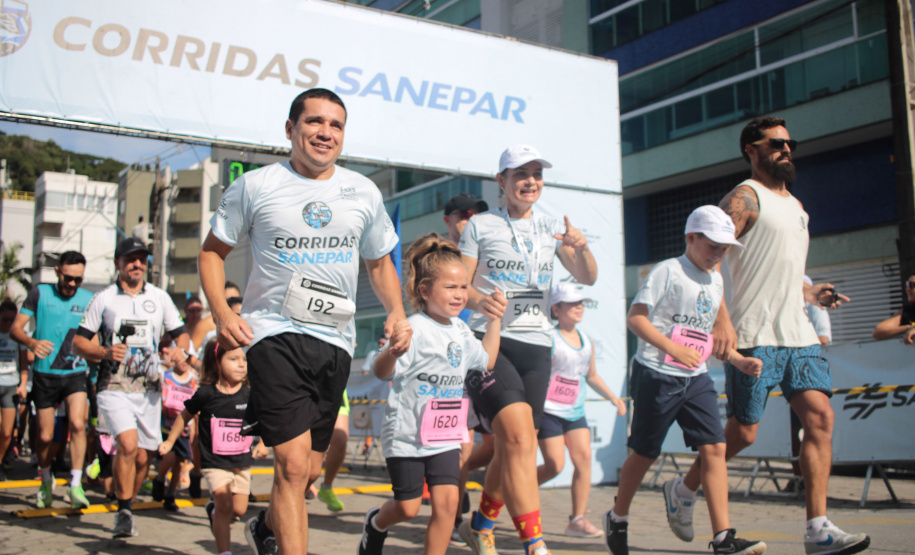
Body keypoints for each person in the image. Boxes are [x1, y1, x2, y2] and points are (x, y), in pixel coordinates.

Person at [198, 87, 409, 555]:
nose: (325, 132)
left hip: (334, 340)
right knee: (291, 467)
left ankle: (265, 528)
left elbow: (378, 263)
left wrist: (396, 310)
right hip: (272, 334)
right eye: (314, 122)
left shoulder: (363, 191)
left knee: (310, 470)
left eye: (336, 125)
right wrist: (222, 312)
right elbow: (212, 253)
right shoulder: (254, 186)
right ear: (291, 129)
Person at [679, 117, 869, 555]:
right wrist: (720, 320)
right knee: (743, 434)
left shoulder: (798, 206)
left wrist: (810, 292)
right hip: (753, 331)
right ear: (751, 150)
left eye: (790, 143)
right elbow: (704, 261)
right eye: (776, 144)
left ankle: (817, 529)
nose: (786, 150)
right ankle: (684, 490)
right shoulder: (744, 198)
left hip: (798, 332)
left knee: (820, 418)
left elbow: (779, 271)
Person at [458, 144, 597, 555]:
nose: (530, 181)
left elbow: (587, 277)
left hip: (538, 345)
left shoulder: (553, 227)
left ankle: (481, 525)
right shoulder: (479, 226)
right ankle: (535, 545)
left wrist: (582, 246)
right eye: (520, 174)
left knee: (515, 443)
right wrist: (480, 301)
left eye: (536, 173)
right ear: (501, 181)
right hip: (491, 339)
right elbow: (460, 285)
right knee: (518, 439)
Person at [604, 205, 765, 555]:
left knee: (716, 448)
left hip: (696, 377)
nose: (718, 254)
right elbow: (636, 318)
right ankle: (618, 516)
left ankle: (723, 537)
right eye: (713, 247)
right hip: (656, 374)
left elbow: (702, 336)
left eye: (724, 249)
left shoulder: (716, 279)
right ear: (691, 238)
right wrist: (672, 348)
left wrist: (738, 360)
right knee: (645, 452)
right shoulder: (668, 271)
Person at [359, 233, 505, 555]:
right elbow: (382, 372)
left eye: (463, 287)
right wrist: (393, 352)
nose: (460, 295)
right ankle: (376, 523)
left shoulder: (462, 331)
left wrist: (494, 321)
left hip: (445, 437)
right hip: (408, 437)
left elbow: (487, 360)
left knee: (448, 505)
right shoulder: (414, 328)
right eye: (450, 287)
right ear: (424, 291)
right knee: (408, 508)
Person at [72, 237, 190, 538]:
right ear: (118, 264)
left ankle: (127, 505)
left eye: (142, 258)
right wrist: (103, 353)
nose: (137, 264)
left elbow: (181, 335)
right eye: (130, 259)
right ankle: (124, 510)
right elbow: (79, 341)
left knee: (143, 456)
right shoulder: (104, 298)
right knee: (126, 443)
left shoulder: (160, 298)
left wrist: (180, 353)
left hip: (149, 388)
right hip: (113, 385)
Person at [160, 339, 267, 555]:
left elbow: (263, 420)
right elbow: (184, 416)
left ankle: (212, 510)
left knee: (239, 509)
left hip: (242, 463)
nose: (241, 364)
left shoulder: (249, 393)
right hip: (214, 463)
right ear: (217, 363)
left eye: (244, 359)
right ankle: (224, 551)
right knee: (224, 503)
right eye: (233, 359)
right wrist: (170, 441)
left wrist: (264, 444)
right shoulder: (206, 394)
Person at [537, 283, 626, 538]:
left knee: (583, 460)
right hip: (549, 411)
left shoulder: (586, 340)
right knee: (554, 465)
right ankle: (515, 491)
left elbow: (592, 375)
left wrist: (613, 399)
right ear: (557, 308)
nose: (579, 308)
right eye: (573, 303)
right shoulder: (549, 338)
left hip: (575, 412)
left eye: (581, 303)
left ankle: (576, 520)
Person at [10, 250, 95, 509]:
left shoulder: (89, 299)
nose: (72, 284)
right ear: (58, 271)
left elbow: (95, 336)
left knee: (78, 425)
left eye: (77, 280)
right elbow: (15, 328)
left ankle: (76, 484)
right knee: (46, 437)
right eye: (68, 278)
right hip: (46, 375)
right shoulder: (39, 293)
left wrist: (97, 353)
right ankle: (46, 481)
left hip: (75, 373)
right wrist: (32, 342)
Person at [442, 192, 493, 545]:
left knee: (497, 443)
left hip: (485, 348)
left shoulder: (490, 250)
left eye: (477, 214)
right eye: (465, 215)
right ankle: (455, 518)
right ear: (448, 219)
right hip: (447, 356)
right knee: (462, 443)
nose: (472, 220)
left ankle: (449, 480)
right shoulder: (438, 255)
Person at [152, 348, 199, 511]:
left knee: (181, 462)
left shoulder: (194, 380)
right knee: (169, 457)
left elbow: (196, 406)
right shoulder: (165, 377)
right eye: (181, 359)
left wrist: (194, 428)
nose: (184, 363)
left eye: (187, 360)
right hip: (167, 425)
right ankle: (159, 478)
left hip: (185, 428)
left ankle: (171, 494)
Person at [0, 300, 28, 480]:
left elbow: (24, 363)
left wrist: (23, 385)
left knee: (7, 432)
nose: (9, 323)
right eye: (5, 319)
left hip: (11, 385)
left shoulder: (18, 335)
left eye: (12, 320)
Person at [872, 273, 915, 344]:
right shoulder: (907, 311)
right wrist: (909, 327)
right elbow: (878, 331)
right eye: (907, 285)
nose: (908, 289)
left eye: (912, 285)